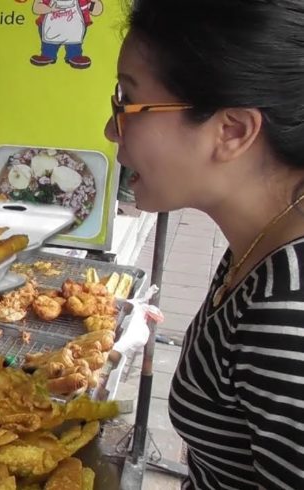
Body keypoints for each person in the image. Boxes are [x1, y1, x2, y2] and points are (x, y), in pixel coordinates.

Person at [106, 0, 304, 488]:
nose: (112, 130)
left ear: (231, 131)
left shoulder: (287, 313)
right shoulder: (258, 242)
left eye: (127, 103)